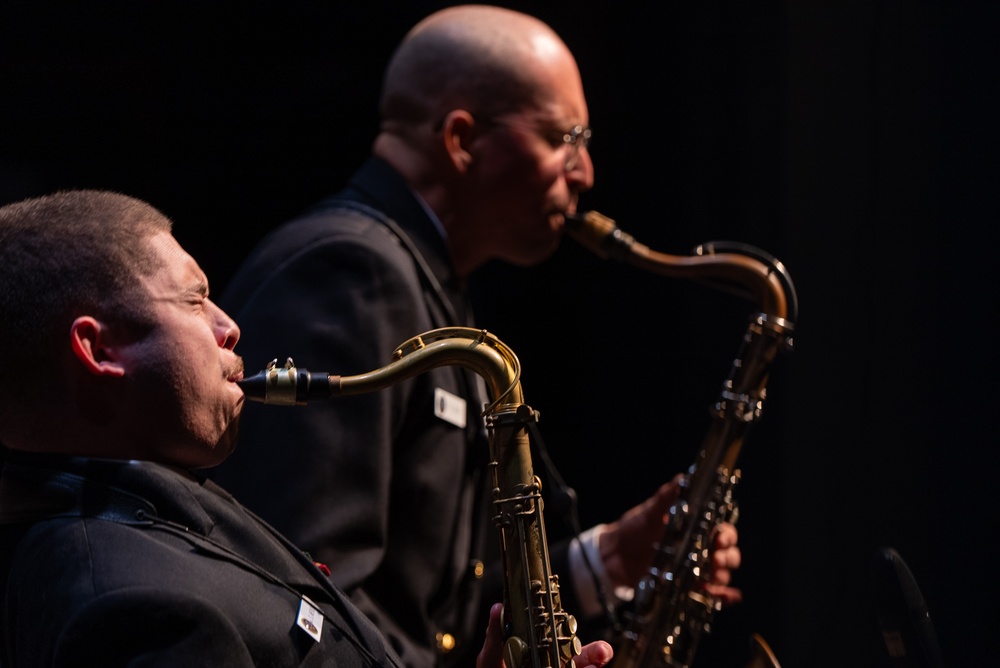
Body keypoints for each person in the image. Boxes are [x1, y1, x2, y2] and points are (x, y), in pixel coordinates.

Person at [212, 5, 741, 668]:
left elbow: (436, 605)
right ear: (462, 139)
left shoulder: (426, 280)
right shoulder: (350, 273)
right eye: (566, 137)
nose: (586, 173)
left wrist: (612, 558)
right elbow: (303, 602)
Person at [0, 189, 614, 668]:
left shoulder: (162, 516)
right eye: (194, 301)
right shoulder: (135, 608)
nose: (229, 326)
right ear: (98, 348)